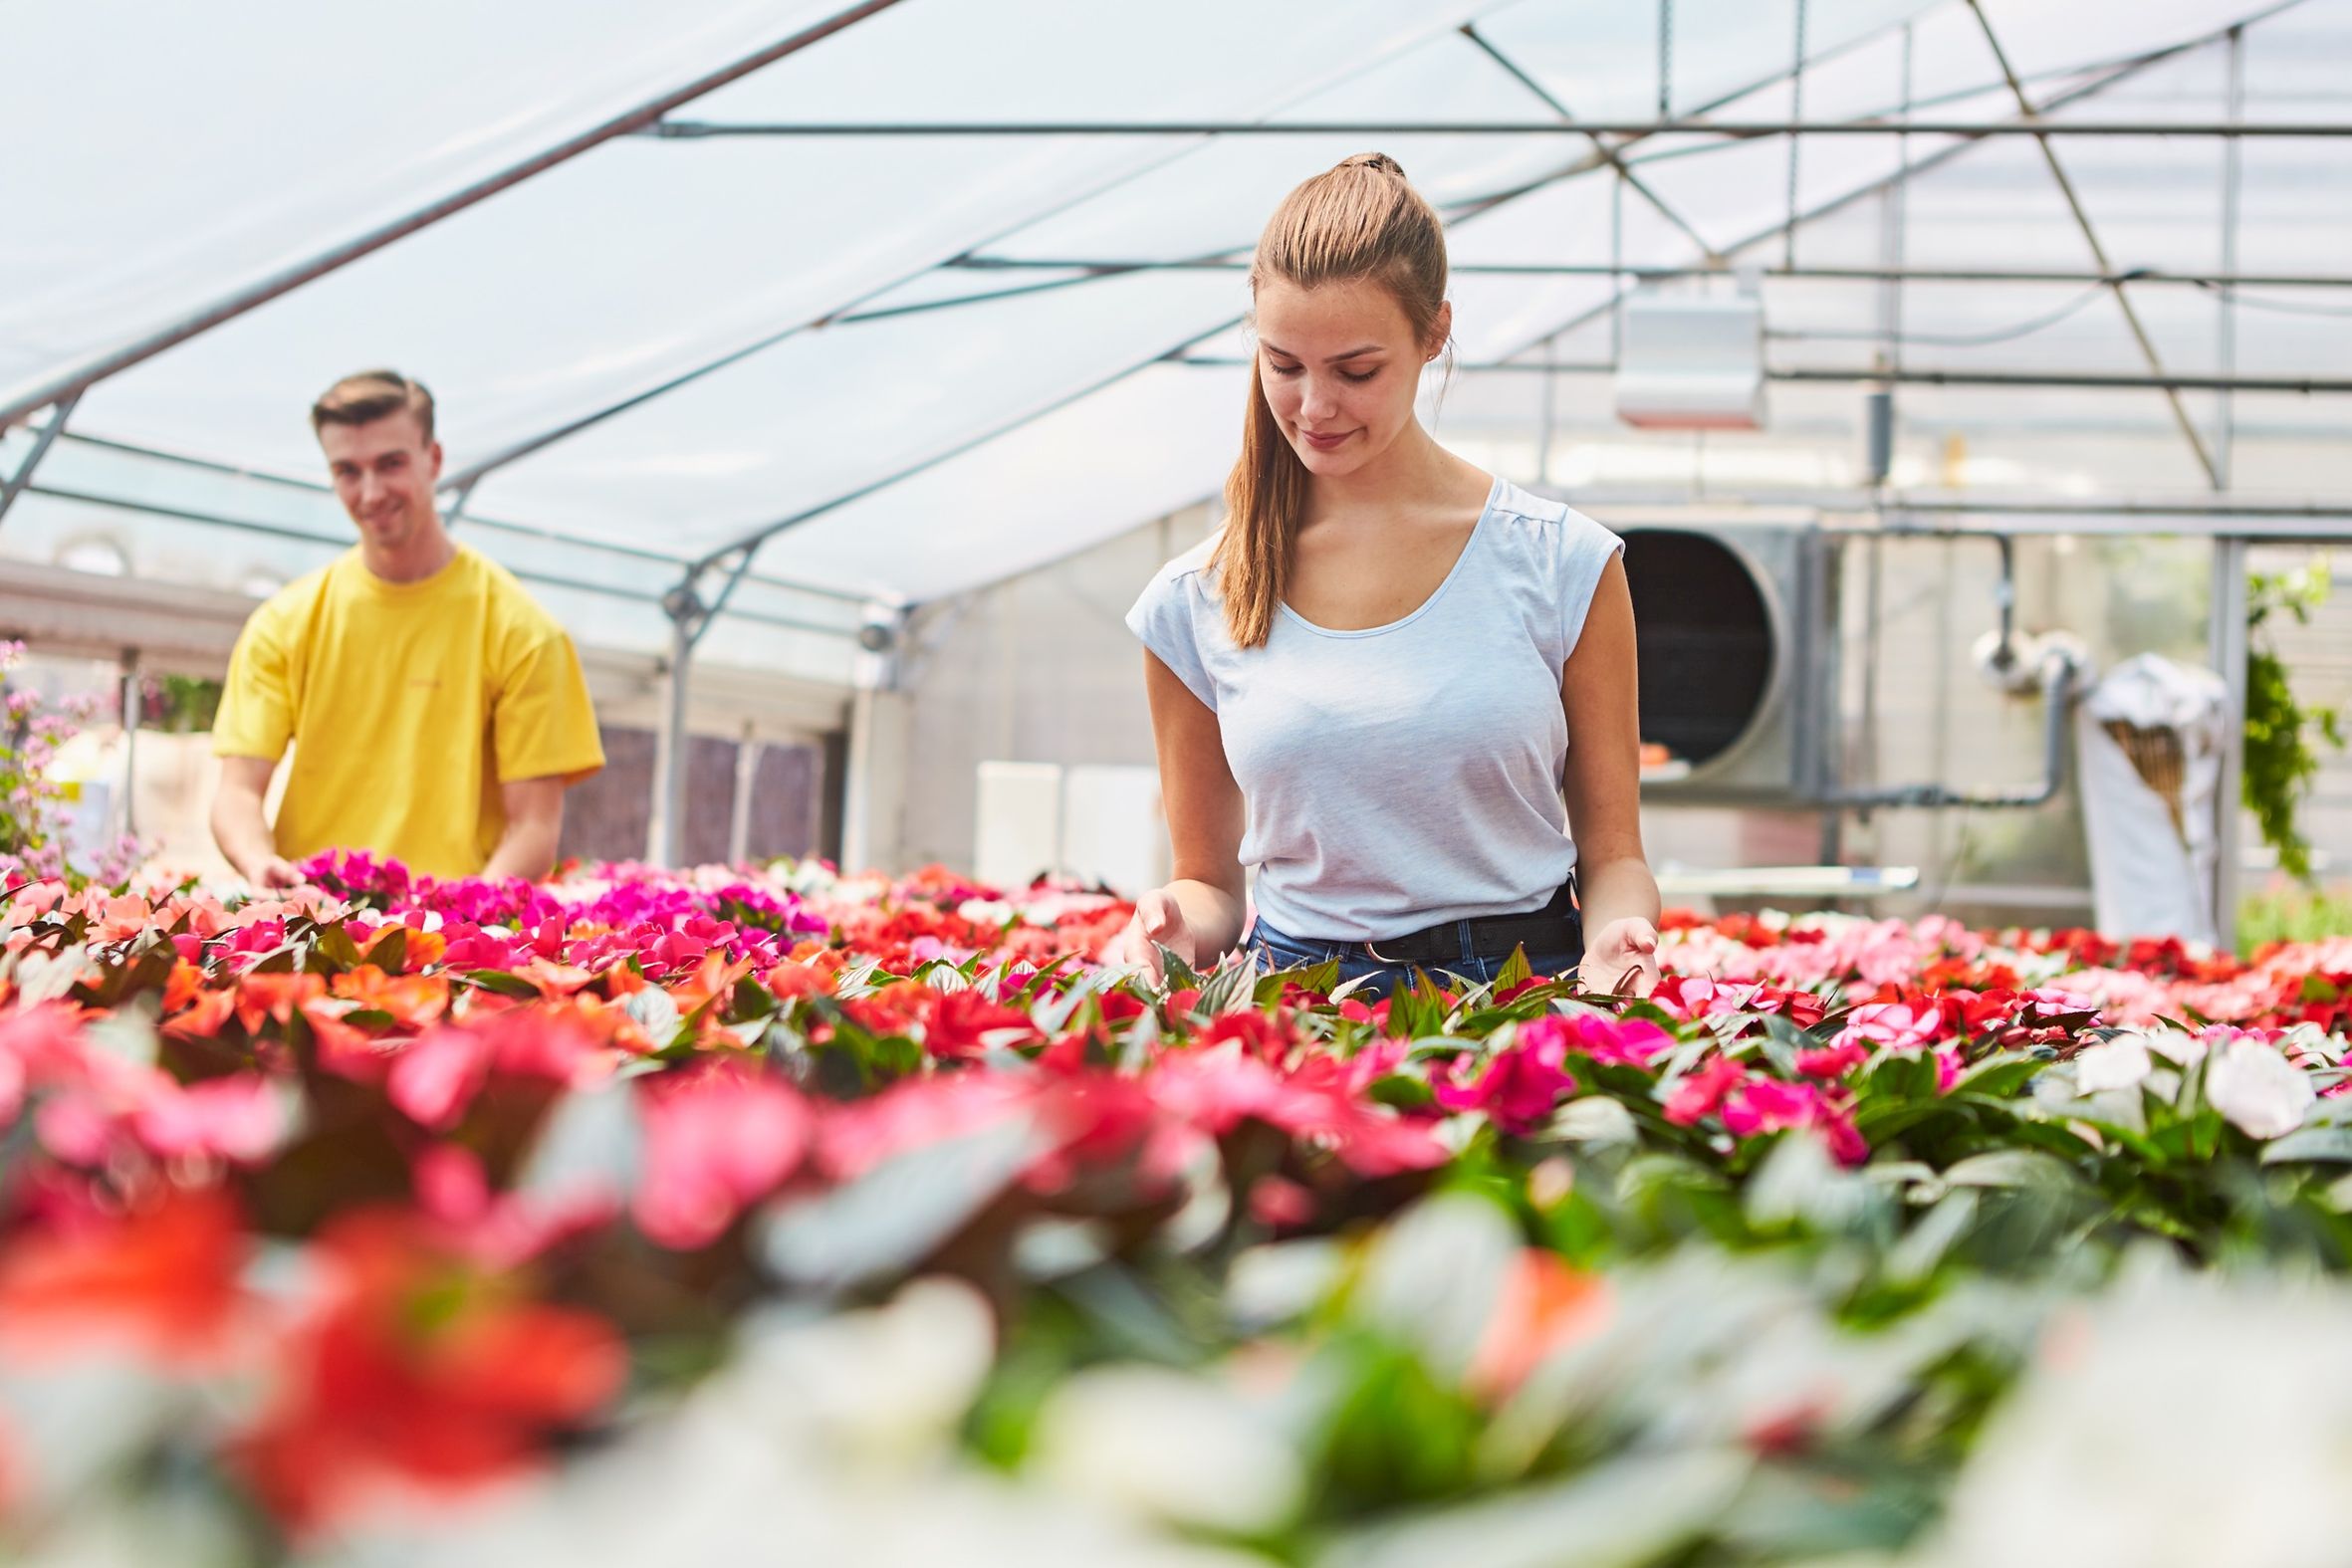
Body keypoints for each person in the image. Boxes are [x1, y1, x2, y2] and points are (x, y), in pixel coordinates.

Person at [1111, 153, 1661, 1001]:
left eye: (1356, 371)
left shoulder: (1563, 563)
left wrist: (1620, 936)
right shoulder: (1196, 598)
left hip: (1524, 991)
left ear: (1434, 332)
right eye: (1283, 365)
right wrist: (1181, 924)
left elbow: (1615, 854)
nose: (1314, 407)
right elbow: (1211, 883)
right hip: (1300, 1000)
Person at [209, 370, 604, 888]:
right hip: (312, 929)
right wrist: (258, 860)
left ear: (433, 460)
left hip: (449, 946)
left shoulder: (524, 633)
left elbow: (533, 825)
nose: (371, 492)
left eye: (390, 464)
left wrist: (458, 924)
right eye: (347, 471)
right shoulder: (282, 625)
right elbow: (237, 791)